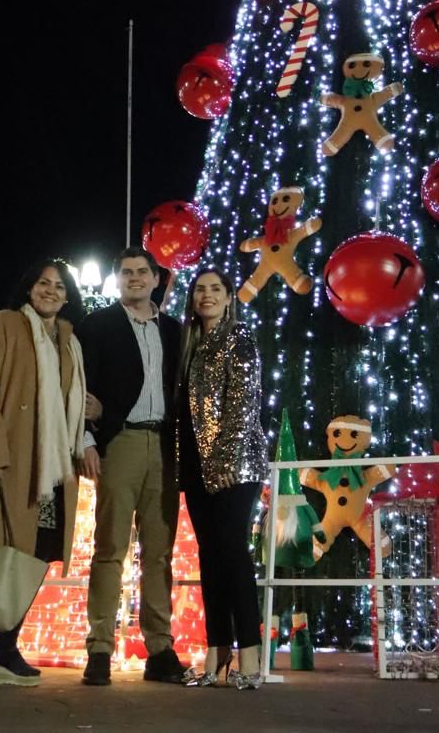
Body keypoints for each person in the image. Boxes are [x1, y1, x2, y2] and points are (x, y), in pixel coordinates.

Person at [0, 258, 87, 693]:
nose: (50, 290)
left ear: (68, 295)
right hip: (7, 465)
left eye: (58, 285)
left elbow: (71, 398)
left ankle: (6, 647)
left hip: (52, 472)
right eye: (42, 283)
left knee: (33, 559)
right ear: (29, 289)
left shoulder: (68, 340)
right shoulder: (5, 325)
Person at [77, 246, 187, 685]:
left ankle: (160, 649)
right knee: (110, 550)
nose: (135, 279)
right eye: (127, 273)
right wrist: (86, 439)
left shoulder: (177, 332)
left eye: (143, 272)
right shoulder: (97, 327)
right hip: (119, 442)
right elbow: (80, 391)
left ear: (156, 279)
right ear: (117, 279)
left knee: (159, 555)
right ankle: (100, 649)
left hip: (164, 445)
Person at [178, 267, 268, 689]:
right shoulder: (190, 345)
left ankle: (250, 658)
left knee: (233, 554)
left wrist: (225, 463)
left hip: (236, 466)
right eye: (200, 289)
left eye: (215, 289)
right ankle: (216, 656)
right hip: (196, 467)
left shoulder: (239, 337)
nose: (207, 295)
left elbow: (243, 404)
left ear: (230, 297)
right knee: (210, 556)